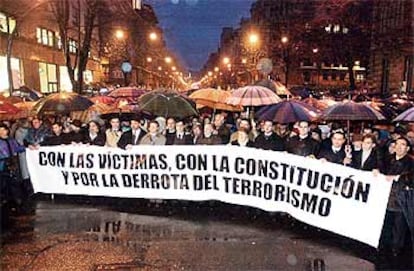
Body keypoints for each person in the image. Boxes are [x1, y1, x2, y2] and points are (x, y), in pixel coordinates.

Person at [381, 137, 414, 256]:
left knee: (399, 226)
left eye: (403, 145)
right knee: (387, 223)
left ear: (408, 148)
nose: (399, 147)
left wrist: (397, 177)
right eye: (397, 144)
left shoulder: (411, 162)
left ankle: (396, 248)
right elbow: (381, 171)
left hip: (401, 199)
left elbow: (411, 178)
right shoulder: (388, 159)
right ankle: (385, 246)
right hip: (387, 197)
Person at [0, 123, 25, 205]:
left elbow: (18, 148)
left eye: (3, 130)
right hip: (2, 163)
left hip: (12, 162)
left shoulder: (12, 140)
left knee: (14, 181)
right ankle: (3, 198)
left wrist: (27, 146)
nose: (2, 132)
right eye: (0, 130)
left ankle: (15, 198)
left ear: (7, 131)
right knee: (3, 182)